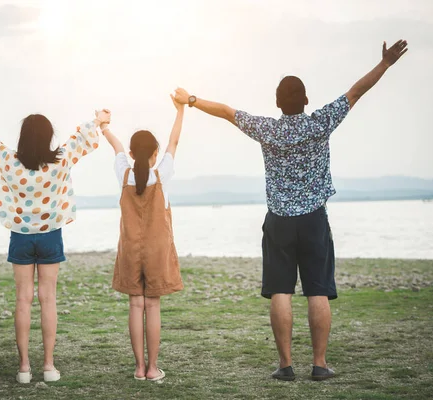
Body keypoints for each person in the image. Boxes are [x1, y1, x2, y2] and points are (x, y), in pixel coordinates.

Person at [174, 40, 408, 381]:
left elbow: (226, 112)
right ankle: (319, 364)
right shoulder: (320, 122)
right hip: (314, 218)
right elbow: (356, 92)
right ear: (306, 101)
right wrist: (385, 63)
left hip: (280, 220)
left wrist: (191, 100)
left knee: (280, 290)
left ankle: (285, 366)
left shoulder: (268, 128)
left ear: (278, 104)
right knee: (318, 290)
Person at [0, 106, 110, 384]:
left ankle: (23, 368)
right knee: (48, 300)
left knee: (22, 301)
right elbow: (81, 138)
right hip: (50, 236)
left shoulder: (9, 161)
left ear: (23, 138)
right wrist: (99, 121)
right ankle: (49, 366)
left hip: (20, 237)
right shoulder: (61, 161)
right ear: (47, 137)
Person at [100, 94, 185, 381]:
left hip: (130, 249)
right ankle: (153, 368)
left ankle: (138, 368)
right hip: (157, 249)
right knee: (153, 305)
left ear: (133, 155)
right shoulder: (162, 172)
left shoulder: (123, 174)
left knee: (136, 305)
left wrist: (104, 127)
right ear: (155, 152)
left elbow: (117, 147)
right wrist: (180, 111)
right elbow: (174, 142)